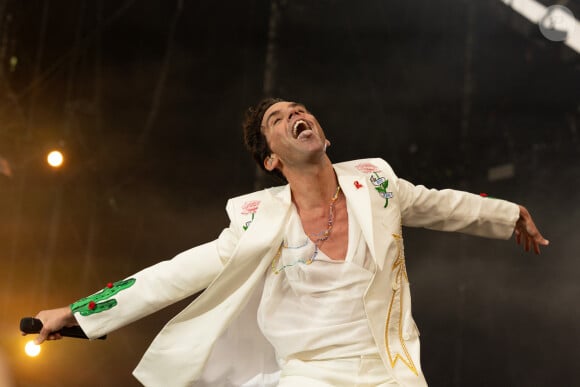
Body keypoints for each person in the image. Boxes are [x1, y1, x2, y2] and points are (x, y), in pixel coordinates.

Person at [26, 98, 549, 387]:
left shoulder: (376, 181)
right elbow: (176, 271)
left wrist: (509, 214)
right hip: (309, 376)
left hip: (390, 373)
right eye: (278, 119)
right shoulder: (257, 219)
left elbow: (440, 204)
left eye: (299, 109)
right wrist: (78, 312)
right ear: (271, 160)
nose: (296, 114)